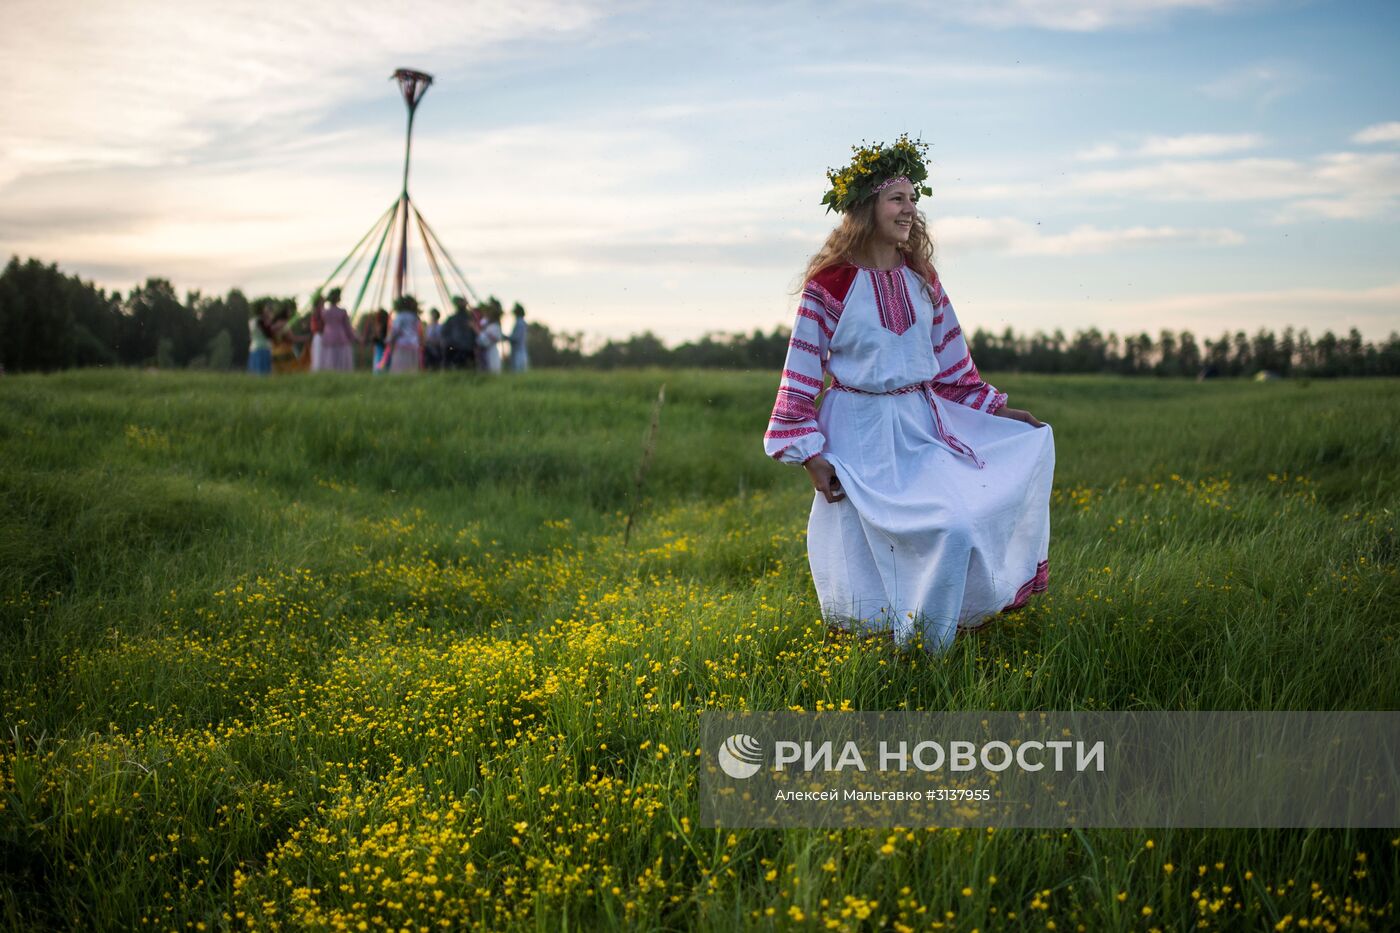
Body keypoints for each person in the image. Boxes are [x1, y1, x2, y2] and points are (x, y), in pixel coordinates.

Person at [763, 135, 1054, 653]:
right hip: (857, 433)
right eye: (898, 198)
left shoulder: (922, 278)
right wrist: (810, 456)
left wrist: (1000, 411)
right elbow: (800, 378)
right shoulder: (829, 285)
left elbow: (952, 364)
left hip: (919, 425)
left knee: (958, 524)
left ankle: (936, 641)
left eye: (913, 199)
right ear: (866, 207)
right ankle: (878, 646)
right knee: (865, 541)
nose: (909, 210)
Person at [316, 287, 359, 371]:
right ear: (338, 298)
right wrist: (354, 337)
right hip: (341, 338)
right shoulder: (342, 311)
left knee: (329, 360)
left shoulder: (324, 312)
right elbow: (347, 327)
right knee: (341, 363)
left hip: (327, 338)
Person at [382, 295, 423, 373]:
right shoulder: (415, 317)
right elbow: (419, 332)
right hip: (414, 345)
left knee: (399, 369)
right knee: (412, 369)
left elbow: (395, 331)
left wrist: (389, 340)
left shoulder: (400, 316)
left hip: (402, 346)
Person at [247, 305, 274, 375]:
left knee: (254, 374)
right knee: (264, 374)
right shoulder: (263, 322)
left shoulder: (251, 321)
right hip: (263, 348)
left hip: (253, 349)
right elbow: (270, 334)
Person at [477, 306, 504, 374]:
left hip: (490, 352)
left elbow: (485, 341)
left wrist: (476, 330)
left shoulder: (494, 327)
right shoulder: (490, 326)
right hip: (489, 352)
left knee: (492, 369)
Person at [509, 303, 529, 372]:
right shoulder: (522, 322)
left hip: (518, 352)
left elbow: (516, 338)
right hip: (521, 351)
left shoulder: (519, 322)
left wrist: (505, 337)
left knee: (518, 372)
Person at [308, 292, 326, 371]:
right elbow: (316, 327)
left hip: (319, 336)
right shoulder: (318, 312)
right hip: (319, 336)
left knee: (319, 356)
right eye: (322, 301)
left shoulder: (317, 312)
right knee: (319, 356)